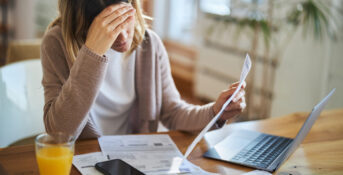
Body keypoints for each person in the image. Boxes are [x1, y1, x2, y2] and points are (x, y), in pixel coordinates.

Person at [41, 0, 246, 139]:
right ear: (84, 23)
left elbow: (173, 112)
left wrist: (215, 112)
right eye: (108, 28)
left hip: (133, 159)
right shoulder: (56, 43)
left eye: (124, 19)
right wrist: (92, 54)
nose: (122, 38)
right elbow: (60, 134)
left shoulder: (149, 45)